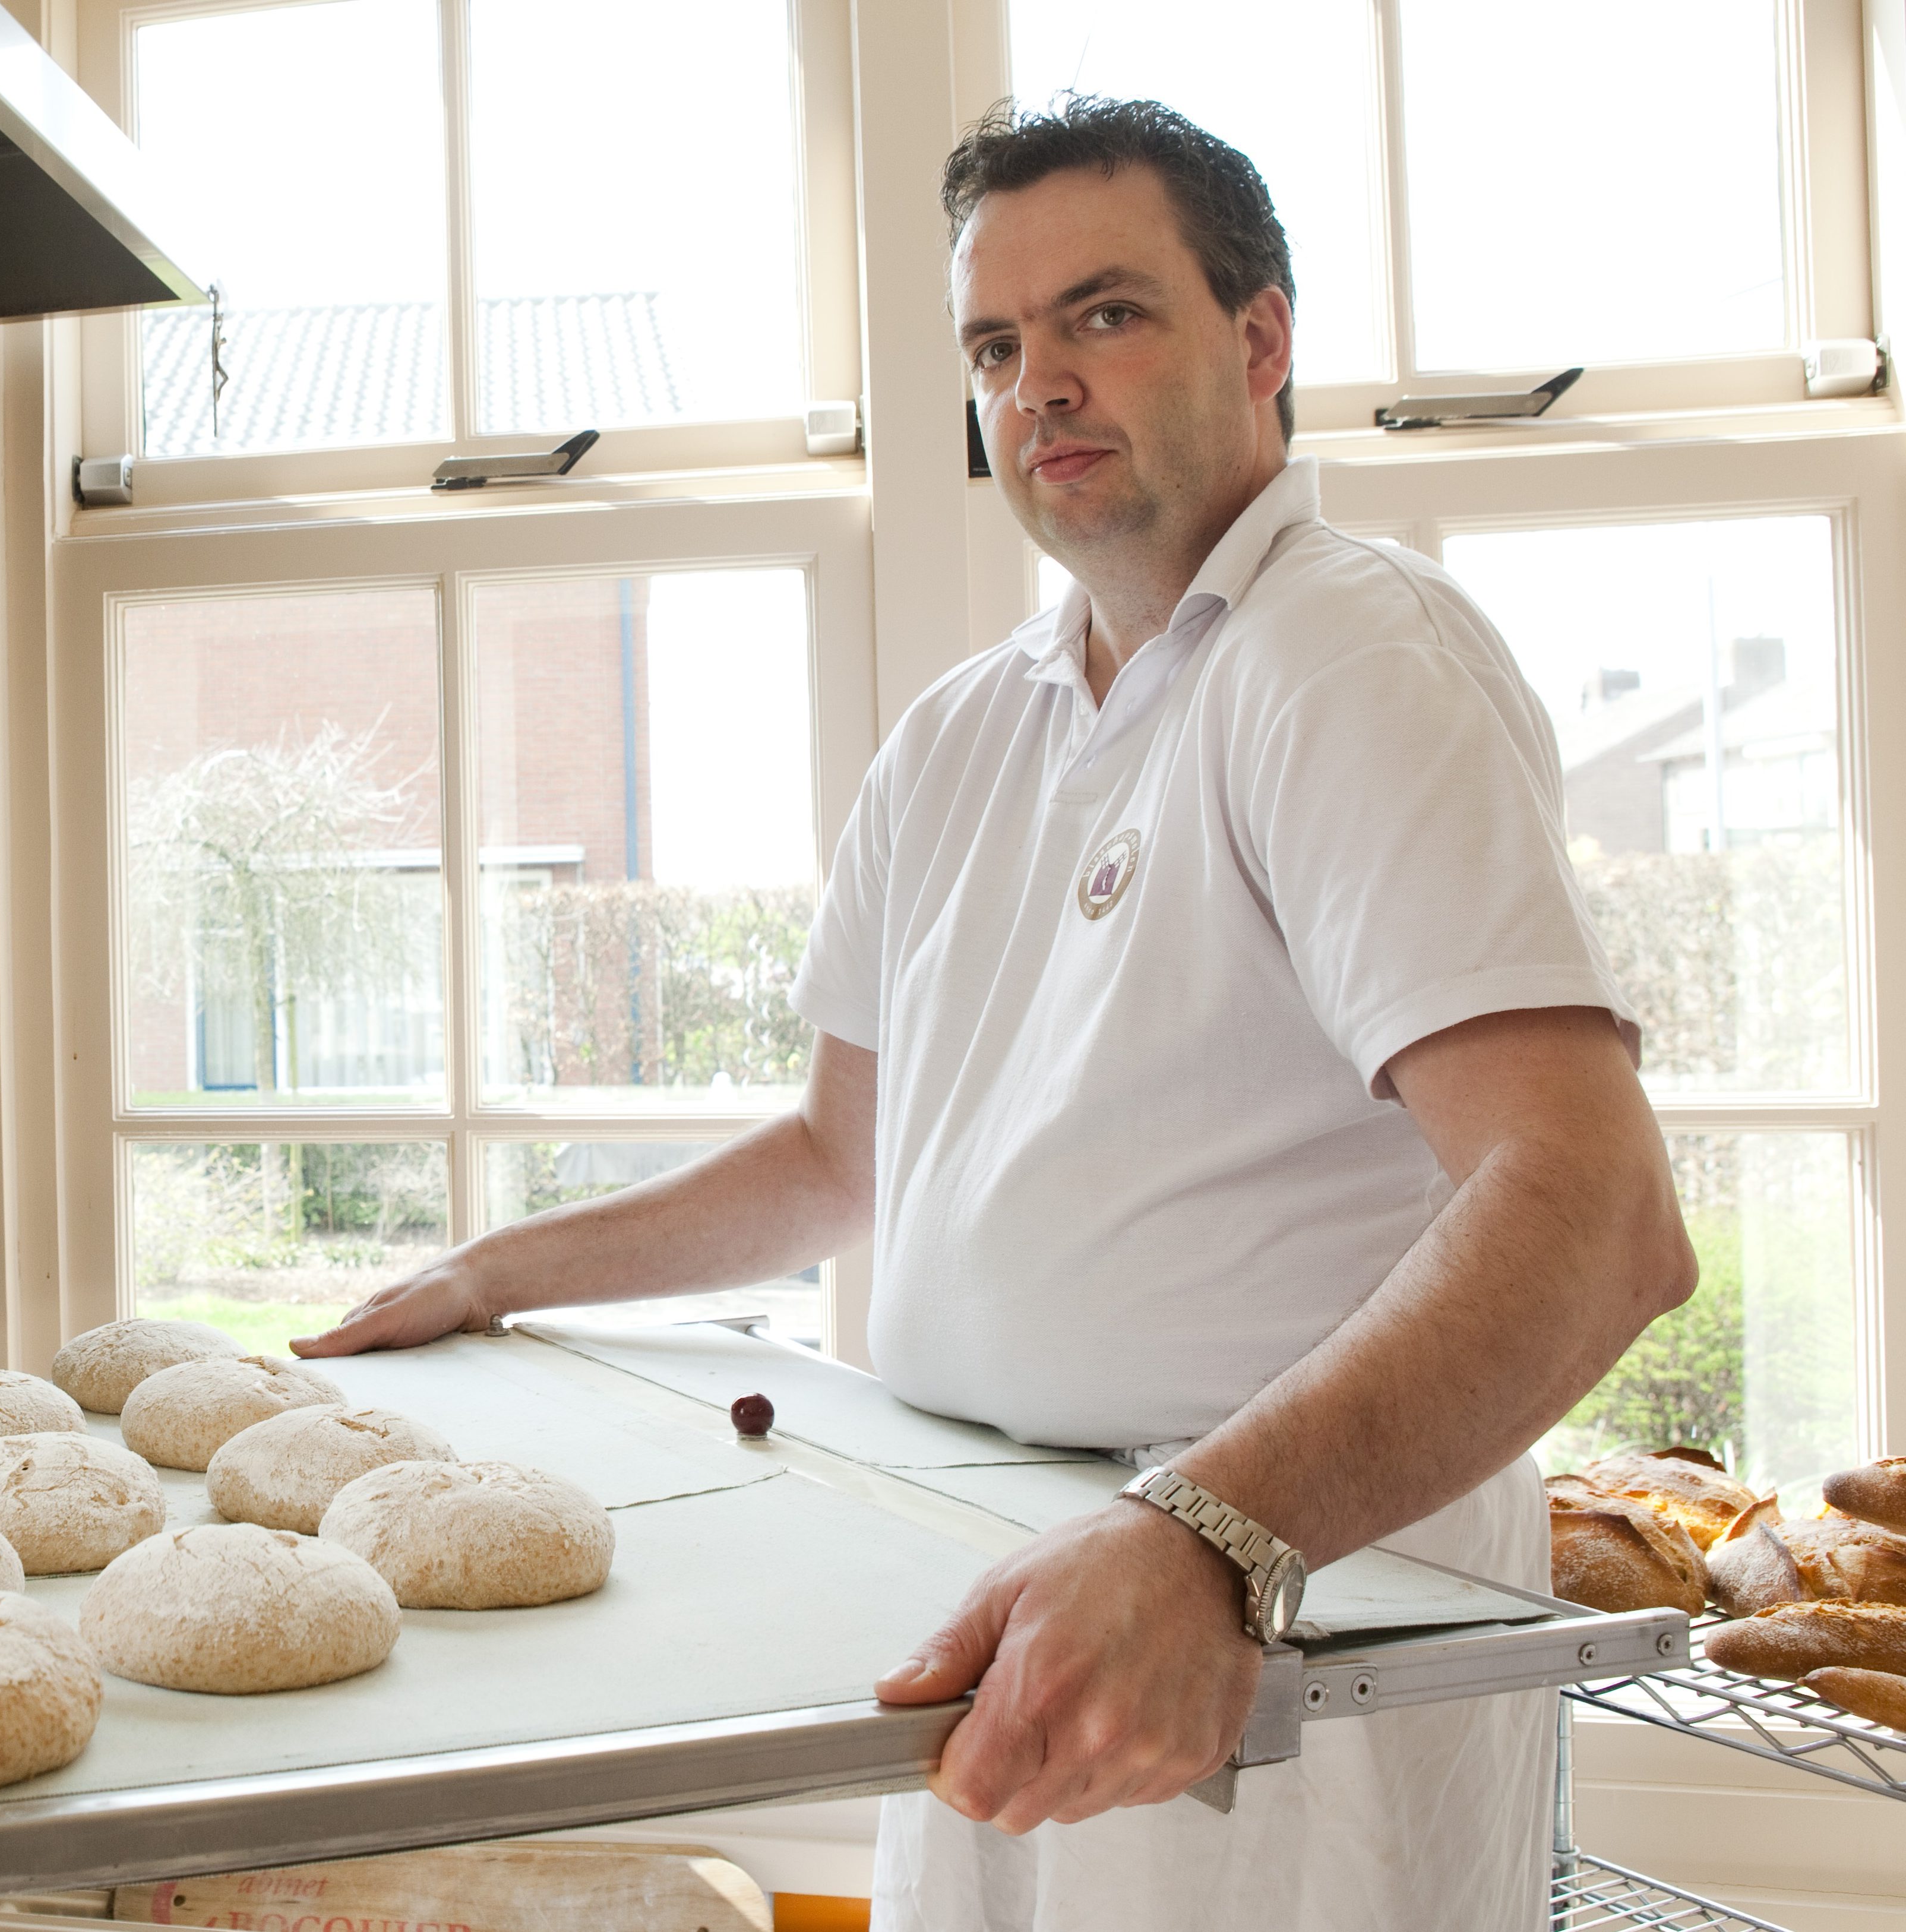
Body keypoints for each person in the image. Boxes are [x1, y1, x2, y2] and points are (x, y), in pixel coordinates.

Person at [293, 95, 1694, 1932]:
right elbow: (835, 1157)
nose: (1037, 384)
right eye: (994, 344)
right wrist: (503, 1270)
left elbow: (1595, 1214)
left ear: (1261, 342)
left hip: (1278, 1643)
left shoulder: (1346, 660)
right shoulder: (963, 733)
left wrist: (1208, 1544)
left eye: (1104, 316)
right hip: (984, 1600)